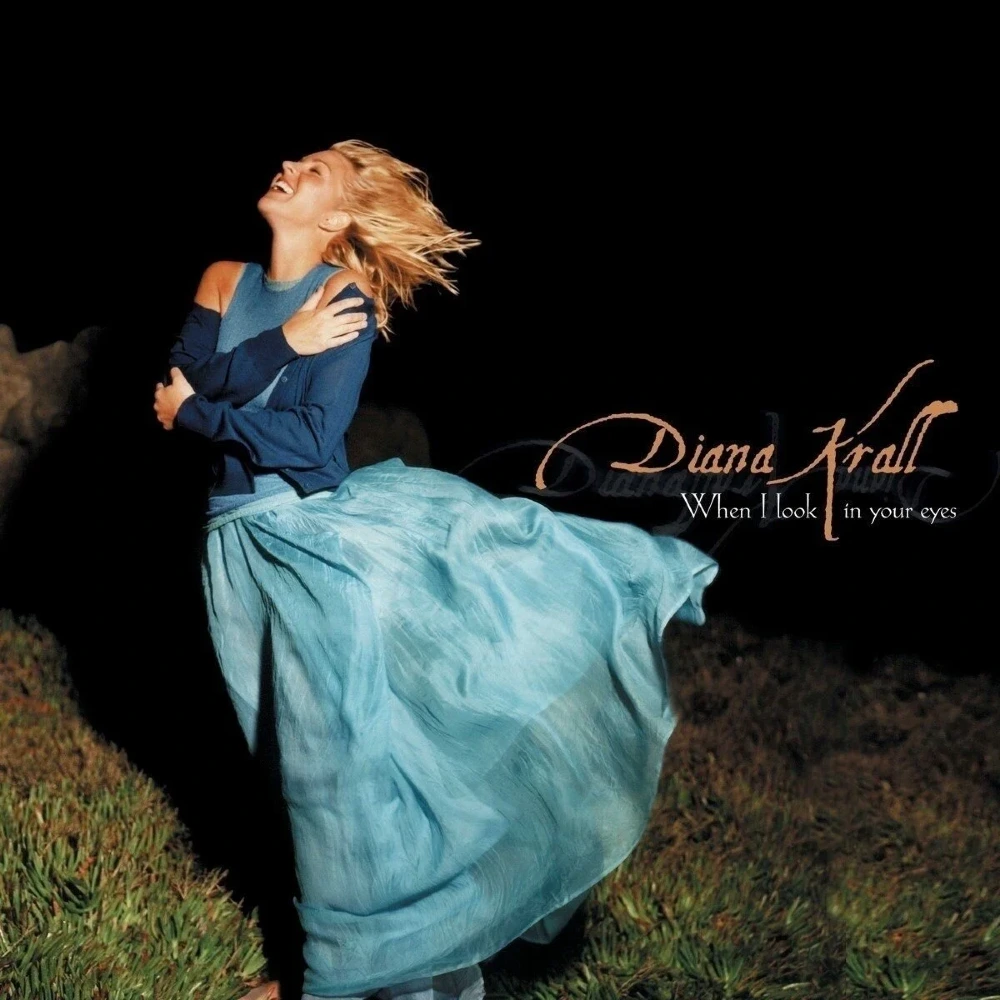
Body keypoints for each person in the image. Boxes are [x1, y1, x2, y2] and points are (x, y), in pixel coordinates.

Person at [153, 139, 719, 1000]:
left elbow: (305, 444)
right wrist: (279, 348)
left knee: (333, 776)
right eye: (295, 160)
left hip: (309, 549)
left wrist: (203, 410)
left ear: (339, 216)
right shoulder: (224, 279)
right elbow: (178, 382)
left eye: (314, 172)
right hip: (230, 553)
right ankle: (375, 963)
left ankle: (341, 981)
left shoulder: (344, 299)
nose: (289, 168)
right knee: (283, 768)